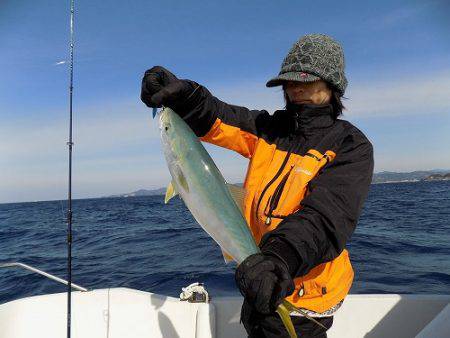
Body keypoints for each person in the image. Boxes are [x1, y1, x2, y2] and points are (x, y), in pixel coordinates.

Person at [141, 33, 374, 337]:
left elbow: (326, 219)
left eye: (307, 80)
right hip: (256, 277)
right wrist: (185, 95)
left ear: (332, 86)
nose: (296, 88)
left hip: (305, 297)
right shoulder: (269, 129)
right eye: (290, 81)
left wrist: (278, 259)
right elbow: (219, 118)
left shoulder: (349, 145)